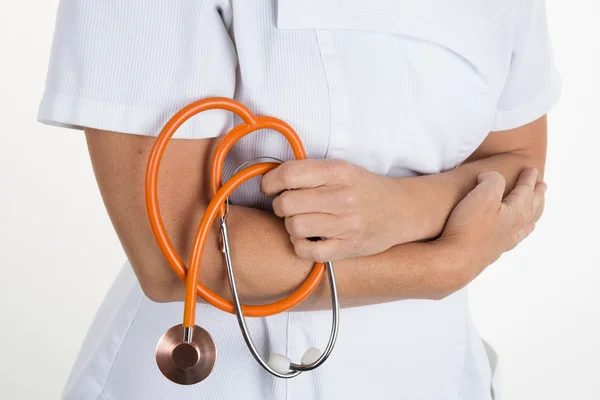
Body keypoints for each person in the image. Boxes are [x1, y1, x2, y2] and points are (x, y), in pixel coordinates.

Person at [38, 0, 561, 399]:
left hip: (437, 374)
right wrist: (442, 266)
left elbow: (517, 158)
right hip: (228, 377)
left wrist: (396, 208)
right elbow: (172, 252)